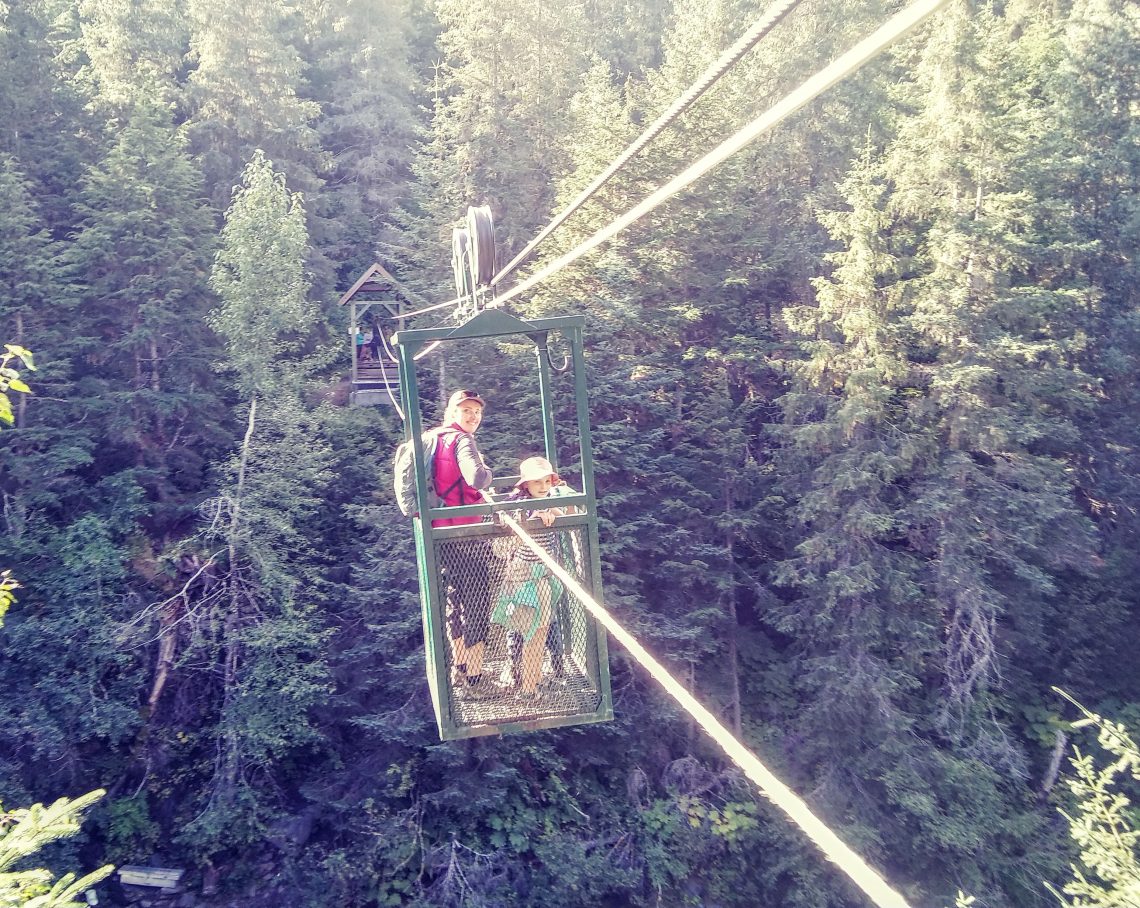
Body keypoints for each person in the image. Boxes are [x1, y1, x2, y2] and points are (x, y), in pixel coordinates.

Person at [490, 456, 576, 698]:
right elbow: (503, 540)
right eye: (536, 482)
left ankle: (532, 680)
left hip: (544, 575)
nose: (542, 486)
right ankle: (524, 682)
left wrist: (553, 510)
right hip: (523, 574)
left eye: (547, 481)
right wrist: (531, 518)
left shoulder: (550, 499)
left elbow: (572, 510)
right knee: (527, 629)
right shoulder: (518, 504)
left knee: (539, 630)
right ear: (525, 485)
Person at [433, 389, 494, 696]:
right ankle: (474, 676)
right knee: (478, 603)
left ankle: (459, 667)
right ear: (453, 412)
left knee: (455, 601)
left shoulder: (437, 438)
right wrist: (488, 474)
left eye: (477, 412)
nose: (473, 416)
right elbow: (476, 478)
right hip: (466, 534)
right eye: (467, 410)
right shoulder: (462, 441)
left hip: (441, 533)